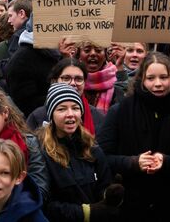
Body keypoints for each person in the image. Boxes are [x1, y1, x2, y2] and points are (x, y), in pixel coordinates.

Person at [97, 52, 170, 221]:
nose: (158, 84)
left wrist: (167, 162)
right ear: (142, 79)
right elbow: (101, 157)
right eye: (151, 78)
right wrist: (133, 162)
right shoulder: (121, 111)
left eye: (163, 77)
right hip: (129, 204)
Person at [37, 83, 119, 222]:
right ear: (51, 114)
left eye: (75, 108)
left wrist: (109, 196)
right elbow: (46, 205)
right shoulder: (42, 152)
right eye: (62, 109)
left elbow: (104, 184)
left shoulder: (92, 147)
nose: (70, 114)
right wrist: (86, 212)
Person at [26, 58, 106, 133]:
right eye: (66, 78)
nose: (73, 83)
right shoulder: (37, 116)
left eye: (78, 79)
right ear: (54, 81)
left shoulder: (98, 117)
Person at [77, 42, 126, 114]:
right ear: (79, 56)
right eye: (87, 50)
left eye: (98, 50)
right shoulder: (72, 81)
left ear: (105, 56)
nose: (93, 53)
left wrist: (119, 65)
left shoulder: (116, 82)